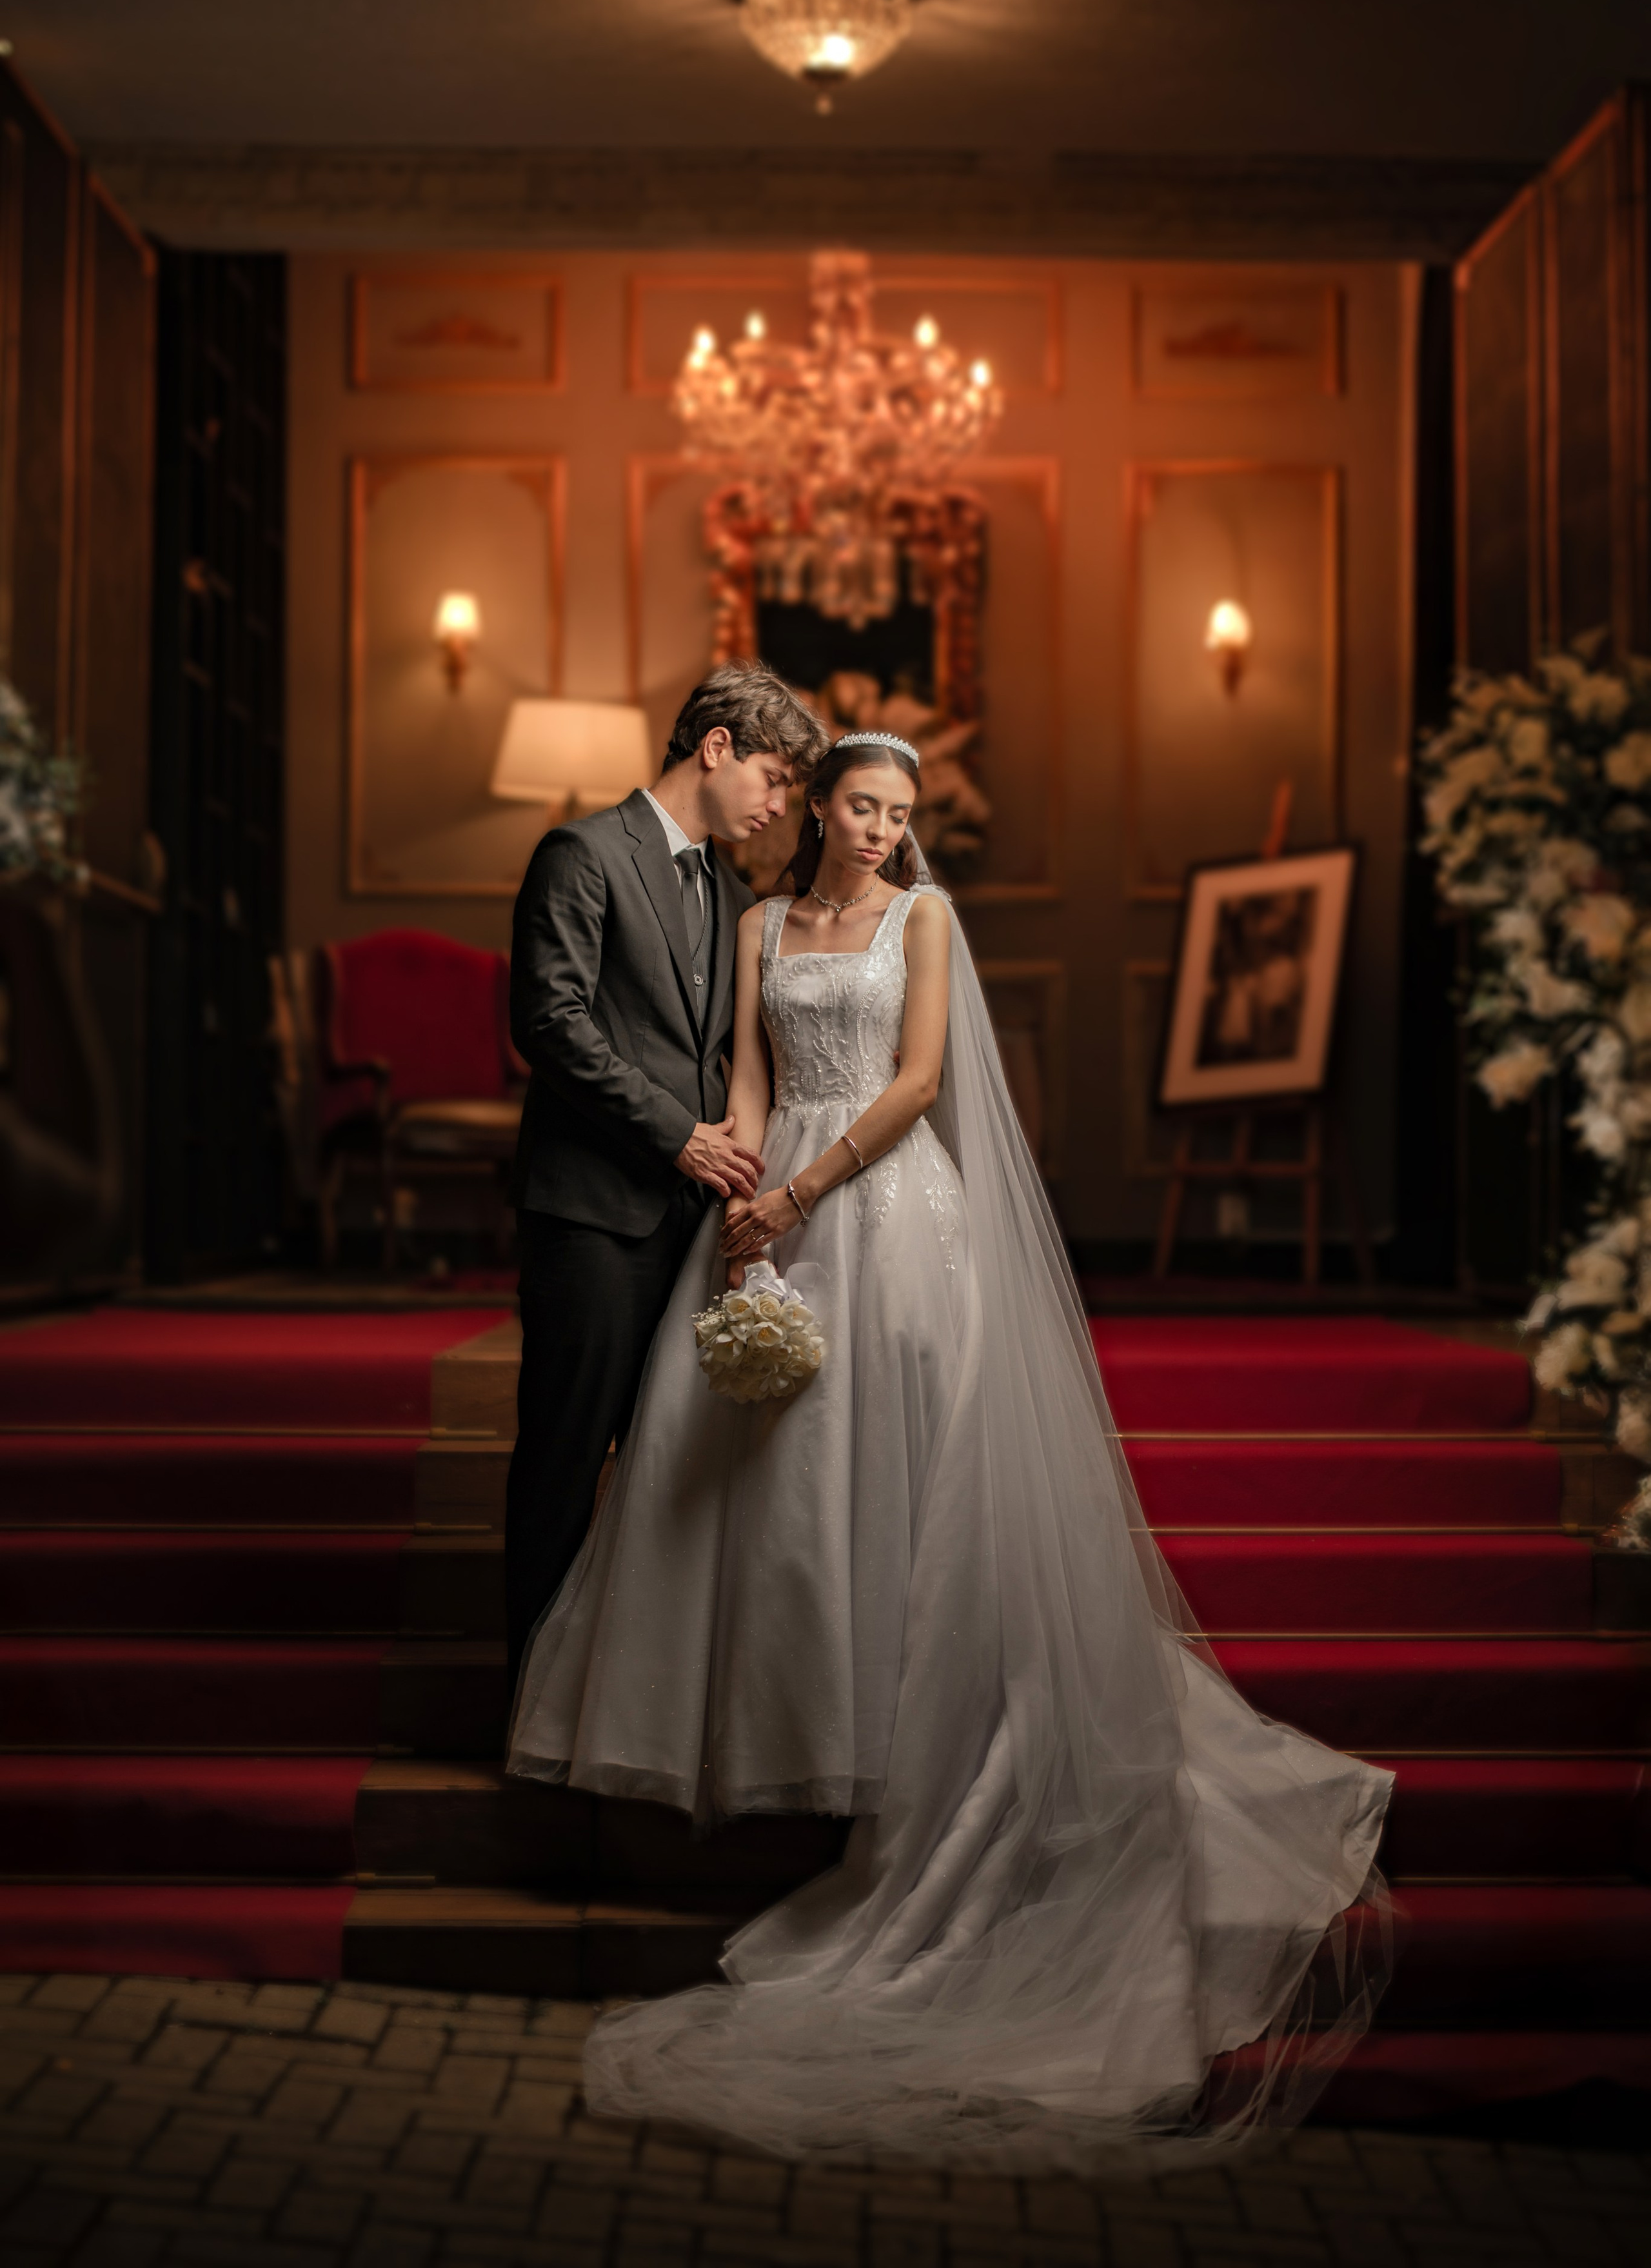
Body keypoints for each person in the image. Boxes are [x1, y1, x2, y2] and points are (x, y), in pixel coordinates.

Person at [508, 730, 1392, 2172]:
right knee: (752, 1488)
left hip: (878, 1206)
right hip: (770, 1196)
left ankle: (904, 1749)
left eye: (898, 812)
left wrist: (799, 1185)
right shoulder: (754, 922)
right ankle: (774, 1736)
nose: (876, 828)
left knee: (890, 1476)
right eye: (858, 805)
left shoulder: (927, 919)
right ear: (820, 810)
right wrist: (738, 1188)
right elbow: (739, 1068)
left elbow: (916, 1084)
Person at [504, 662, 827, 1684]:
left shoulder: (734, 895)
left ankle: (621, 1698)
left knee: (663, 1477)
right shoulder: (583, 854)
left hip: (690, 1233)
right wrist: (674, 1136)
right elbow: (547, 1023)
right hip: (593, 1219)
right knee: (564, 1462)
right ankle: (526, 1697)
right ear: (717, 747)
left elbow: (735, 1056)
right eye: (775, 778)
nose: (779, 806)